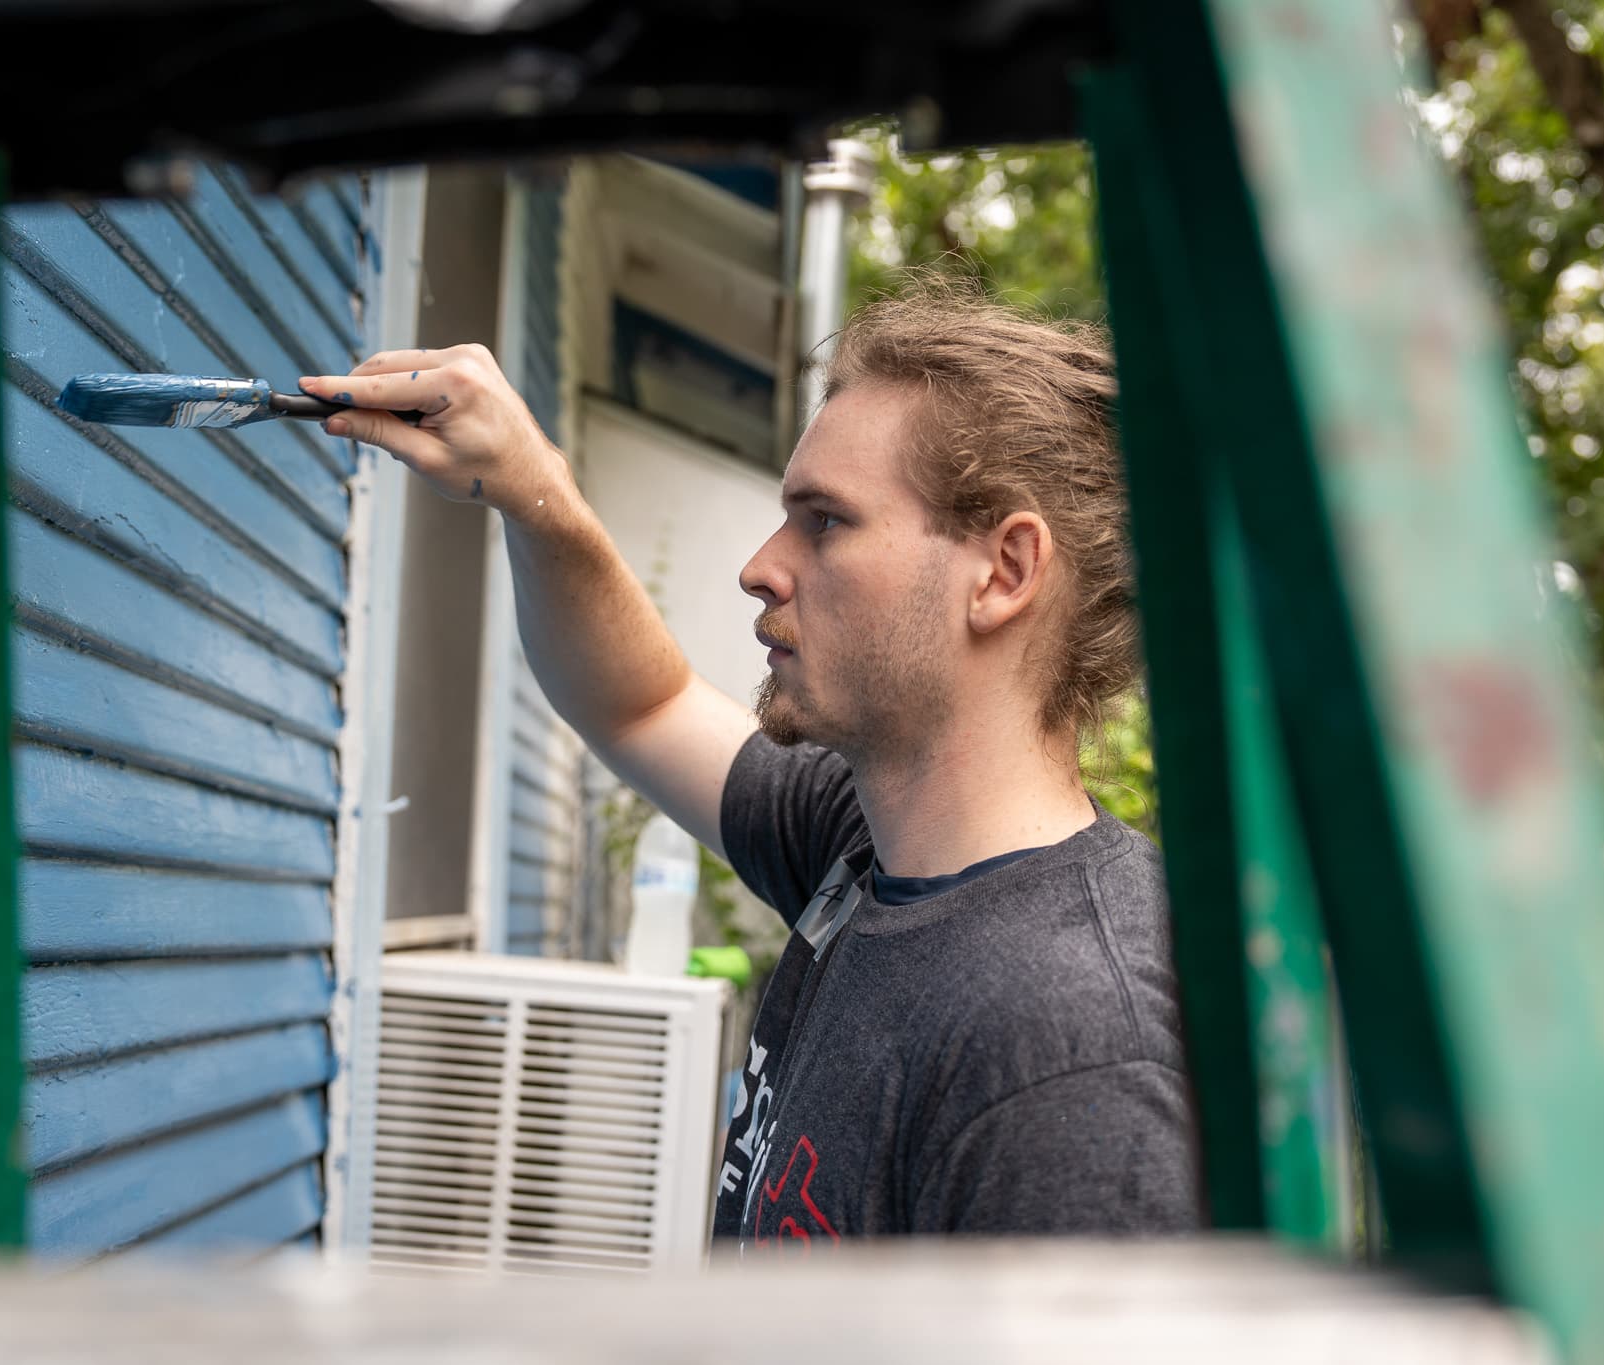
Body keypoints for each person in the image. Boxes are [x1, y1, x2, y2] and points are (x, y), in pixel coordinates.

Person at [301, 276, 1201, 1254]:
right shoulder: (861, 846)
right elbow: (640, 704)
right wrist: (531, 485)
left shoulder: (1073, 1060)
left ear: (1004, 571)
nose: (759, 566)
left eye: (823, 522)